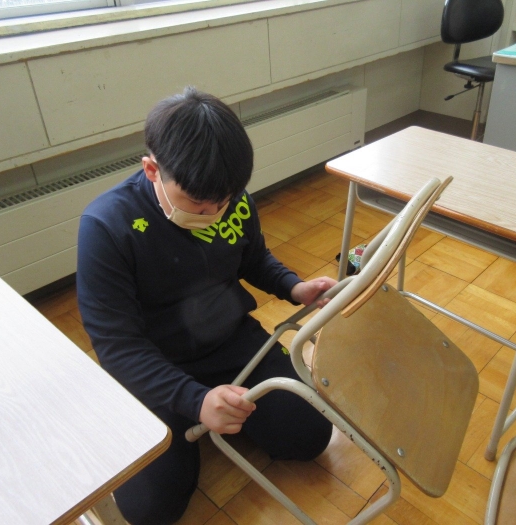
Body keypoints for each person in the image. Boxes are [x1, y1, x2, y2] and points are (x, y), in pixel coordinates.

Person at [76, 87, 335, 524]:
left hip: (232, 344)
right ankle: (183, 425)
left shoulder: (227, 194)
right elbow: (118, 347)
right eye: (197, 203)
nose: (214, 212)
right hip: (157, 365)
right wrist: (194, 400)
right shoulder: (106, 226)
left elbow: (254, 258)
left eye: (224, 201)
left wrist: (295, 288)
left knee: (310, 435)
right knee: (150, 510)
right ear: (152, 170)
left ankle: (215, 418)